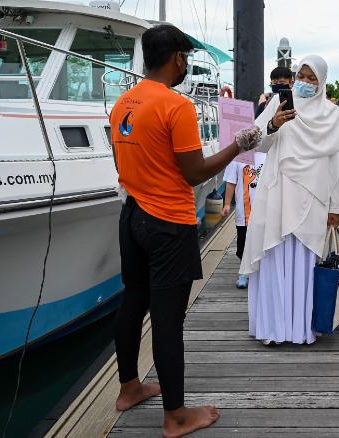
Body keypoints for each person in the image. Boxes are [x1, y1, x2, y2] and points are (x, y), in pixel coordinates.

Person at [110, 24, 262, 437]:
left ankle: (128, 387)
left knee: (132, 301)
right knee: (167, 320)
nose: (187, 65)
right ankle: (175, 416)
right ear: (178, 58)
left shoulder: (124, 102)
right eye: (187, 58)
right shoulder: (175, 105)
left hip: (132, 216)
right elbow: (195, 173)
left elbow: (122, 163)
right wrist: (239, 144)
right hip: (166, 223)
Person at [240, 55, 339, 345]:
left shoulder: (334, 116)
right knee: (274, 254)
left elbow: (336, 164)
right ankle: (273, 329)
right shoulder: (279, 105)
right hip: (277, 191)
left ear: (322, 81)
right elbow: (254, 143)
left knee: (304, 261)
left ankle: (300, 328)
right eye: (301, 76)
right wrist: (273, 124)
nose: (305, 83)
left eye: (312, 78)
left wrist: (335, 207)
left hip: (313, 197)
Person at [222, 152, 267, 289]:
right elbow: (231, 182)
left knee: (262, 242)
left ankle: (262, 272)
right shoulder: (235, 158)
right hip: (244, 212)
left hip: (264, 211)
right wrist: (227, 204)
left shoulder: (266, 155)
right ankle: (243, 272)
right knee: (243, 243)